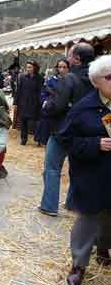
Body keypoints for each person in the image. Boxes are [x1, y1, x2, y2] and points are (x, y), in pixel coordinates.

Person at [58, 55, 111, 285]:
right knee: (88, 218)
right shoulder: (83, 108)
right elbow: (65, 139)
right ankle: (78, 264)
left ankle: (103, 249)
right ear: (96, 81)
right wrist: (95, 144)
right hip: (92, 174)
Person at [38, 43, 95, 217]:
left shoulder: (68, 79)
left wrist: (46, 105)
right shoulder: (98, 78)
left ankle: (49, 206)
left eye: (70, 56)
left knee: (52, 169)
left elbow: (57, 106)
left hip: (63, 131)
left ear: (76, 59)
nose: (68, 59)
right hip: (88, 132)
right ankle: (72, 204)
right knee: (78, 168)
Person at [34, 59, 69, 148]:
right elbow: (43, 93)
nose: (62, 69)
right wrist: (46, 102)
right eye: (60, 67)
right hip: (51, 110)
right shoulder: (51, 80)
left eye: (64, 67)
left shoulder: (71, 80)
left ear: (68, 68)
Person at [15, 61, 44, 145]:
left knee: (34, 121)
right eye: (27, 67)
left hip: (35, 102)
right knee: (23, 120)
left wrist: (40, 102)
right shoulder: (22, 77)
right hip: (23, 102)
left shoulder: (40, 78)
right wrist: (16, 102)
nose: (28, 69)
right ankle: (23, 139)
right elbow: (18, 90)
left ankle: (38, 139)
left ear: (34, 68)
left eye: (30, 67)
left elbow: (41, 91)